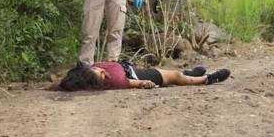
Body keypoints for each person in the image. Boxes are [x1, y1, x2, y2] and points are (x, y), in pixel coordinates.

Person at [58, 62, 231, 91]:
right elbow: (132, 83)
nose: (104, 72)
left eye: (99, 70)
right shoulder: (116, 81)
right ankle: (206, 79)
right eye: (102, 76)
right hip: (142, 76)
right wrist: (144, 83)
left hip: (132, 69)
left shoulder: (92, 70)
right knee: (175, 76)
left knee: (166, 70)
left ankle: (189, 73)